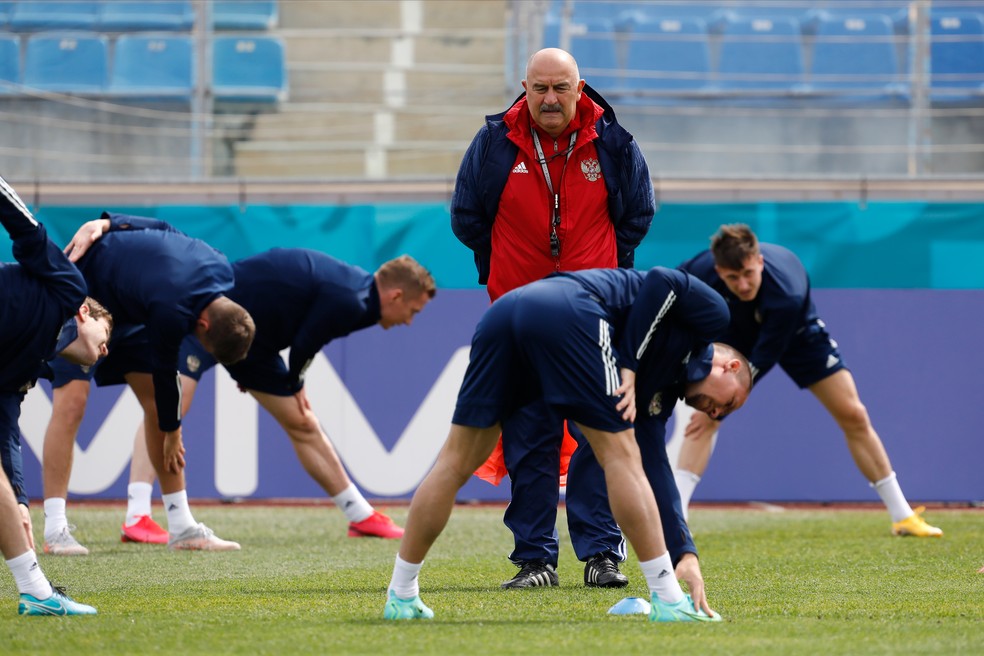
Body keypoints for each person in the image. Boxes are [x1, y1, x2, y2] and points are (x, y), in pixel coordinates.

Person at [383, 266, 753, 622]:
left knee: (454, 461)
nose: (717, 413)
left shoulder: (661, 391)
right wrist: (629, 362)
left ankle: (400, 594)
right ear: (730, 368)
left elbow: (656, 465)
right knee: (620, 457)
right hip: (572, 311)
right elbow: (663, 280)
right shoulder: (712, 317)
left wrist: (684, 553)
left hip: (506, 312)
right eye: (730, 403)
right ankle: (669, 600)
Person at [450, 46, 656, 589]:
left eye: (560, 88)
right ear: (525, 86)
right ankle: (535, 560)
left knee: (599, 438)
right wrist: (509, 267)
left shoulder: (613, 143)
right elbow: (466, 216)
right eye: (539, 88)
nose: (549, 99)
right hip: (518, 317)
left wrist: (603, 269)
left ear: (579, 88)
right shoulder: (495, 142)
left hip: (593, 318)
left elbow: (638, 213)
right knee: (529, 437)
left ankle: (601, 555)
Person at [121, 249, 436, 540]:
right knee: (171, 404)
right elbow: (304, 344)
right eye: (413, 310)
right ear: (396, 295)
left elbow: (295, 328)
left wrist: (266, 375)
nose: (409, 321)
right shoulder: (352, 298)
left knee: (302, 421)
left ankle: (360, 515)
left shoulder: (361, 296)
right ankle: (138, 514)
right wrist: (295, 383)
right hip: (214, 314)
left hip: (254, 342)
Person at [673, 224, 942, 537]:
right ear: (719, 271)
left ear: (759, 261)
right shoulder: (697, 271)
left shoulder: (786, 292)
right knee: (707, 415)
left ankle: (902, 516)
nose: (743, 284)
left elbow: (762, 359)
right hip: (735, 333)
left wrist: (728, 404)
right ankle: (676, 519)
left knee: (854, 414)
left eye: (748, 273)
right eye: (733, 278)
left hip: (797, 334)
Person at [41, 213, 255, 555]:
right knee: (72, 402)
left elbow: (166, 229)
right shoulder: (172, 309)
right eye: (204, 344)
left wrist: (109, 223)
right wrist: (172, 433)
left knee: (158, 405)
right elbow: (165, 369)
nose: (199, 348)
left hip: (133, 308)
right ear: (203, 323)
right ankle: (54, 531)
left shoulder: (220, 269)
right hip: (83, 294)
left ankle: (182, 526)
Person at [0, 175, 106, 614]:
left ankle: (37, 594)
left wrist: (21, 502)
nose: (104, 351)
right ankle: (38, 594)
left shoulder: (29, 366)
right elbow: (28, 234)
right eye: (105, 336)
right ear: (85, 313)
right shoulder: (69, 288)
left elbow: (5, 425)